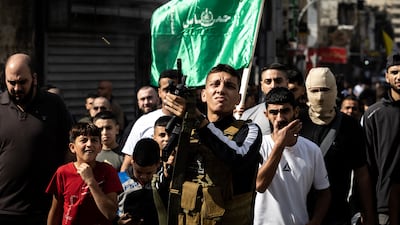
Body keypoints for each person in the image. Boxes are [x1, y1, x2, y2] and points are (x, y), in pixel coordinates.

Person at [164, 64, 262, 225]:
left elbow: (237, 157)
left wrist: (199, 121)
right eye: (215, 84)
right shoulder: (187, 130)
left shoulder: (248, 130)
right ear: (203, 95)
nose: (221, 90)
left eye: (229, 86)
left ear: (238, 98)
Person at [0, 53, 72, 225]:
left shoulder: (54, 105)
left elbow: (69, 150)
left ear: (34, 78)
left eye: (22, 82)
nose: (16, 88)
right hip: (4, 210)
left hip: (45, 209)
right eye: (11, 82)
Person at [300, 67, 375, 225]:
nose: (320, 97)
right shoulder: (297, 122)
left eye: (325, 90)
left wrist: (368, 215)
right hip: (299, 211)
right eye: (315, 90)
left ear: (334, 90)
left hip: (337, 214)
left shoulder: (351, 127)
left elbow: (362, 174)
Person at [254, 87, 331, 225]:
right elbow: (260, 185)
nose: (279, 118)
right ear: (266, 115)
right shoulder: (259, 146)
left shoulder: (312, 150)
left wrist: (316, 221)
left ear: (295, 112)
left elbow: (324, 192)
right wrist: (279, 145)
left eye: (285, 111)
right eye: (273, 112)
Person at [46, 122, 123, 225]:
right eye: (84, 140)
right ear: (72, 147)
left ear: (100, 147)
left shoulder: (108, 171)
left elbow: (111, 214)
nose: (89, 144)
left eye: (94, 140)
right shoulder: (63, 172)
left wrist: (91, 181)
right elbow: (55, 211)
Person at [364, 52, 400, 225]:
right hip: (383, 207)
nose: (399, 76)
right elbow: (366, 166)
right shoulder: (373, 115)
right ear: (387, 76)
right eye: (394, 72)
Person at [120, 70, 180, 172]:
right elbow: (128, 160)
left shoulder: (195, 120)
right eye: (166, 90)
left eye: (174, 89)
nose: (171, 94)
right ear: (159, 93)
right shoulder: (143, 122)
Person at [117, 138, 167, 225]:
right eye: (139, 171)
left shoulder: (163, 183)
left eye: (149, 173)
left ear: (158, 163)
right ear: (132, 160)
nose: (143, 177)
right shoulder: (118, 180)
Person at [240, 62, 289, 135]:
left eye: (278, 81)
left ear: (287, 83)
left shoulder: (303, 117)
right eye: (268, 82)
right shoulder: (248, 116)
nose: (273, 86)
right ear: (262, 86)